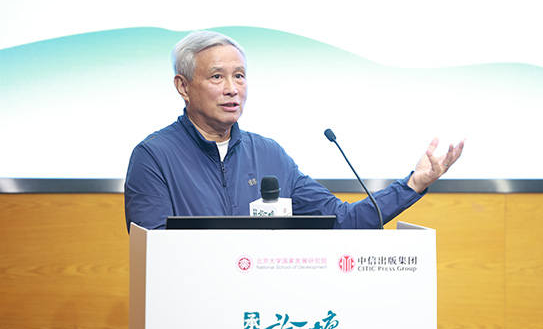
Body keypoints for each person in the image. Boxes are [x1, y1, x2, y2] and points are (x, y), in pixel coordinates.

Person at [124, 31, 464, 232]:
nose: (232, 89)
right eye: (217, 77)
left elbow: (343, 220)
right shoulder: (154, 157)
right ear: (183, 86)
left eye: (239, 76)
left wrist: (413, 184)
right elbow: (154, 251)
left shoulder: (269, 154)